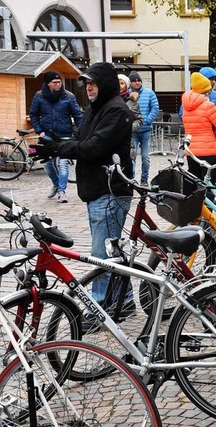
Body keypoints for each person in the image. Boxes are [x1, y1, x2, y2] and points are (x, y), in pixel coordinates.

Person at [30, 62, 135, 330]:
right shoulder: (95, 109)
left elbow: (93, 147)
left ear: (105, 84)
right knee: (113, 251)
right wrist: (56, 146)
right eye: (86, 84)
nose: (88, 88)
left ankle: (99, 309)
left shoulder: (116, 111)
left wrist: (59, 148)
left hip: (110, 190)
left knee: (101, 254)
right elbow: (80, 137)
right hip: (97, 190)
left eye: (93, 83)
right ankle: (126, 299)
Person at [29, 70, 83, 203]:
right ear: (48, 84)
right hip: (46, 134)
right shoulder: (39, 96)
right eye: (55, 82)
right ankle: (56, 183)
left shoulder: (69, 96)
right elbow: (33, 114)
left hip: (64, 135)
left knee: (63, 164)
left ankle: (62, 191)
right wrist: (39, 130)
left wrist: (78, 133)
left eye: (60, 82)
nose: (58, 84)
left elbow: (78, 116)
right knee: (47, 164)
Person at [181, 72, 216, 183]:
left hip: (191, 151)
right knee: (210, 183)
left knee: (196, 183)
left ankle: (198, 201)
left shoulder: (186, 106)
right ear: (206, 91)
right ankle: (208, 200)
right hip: (208, 150)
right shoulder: (209, 106)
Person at [128, 71, 159, 186]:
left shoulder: (149, 93)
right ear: (130, 83)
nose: (137, 82)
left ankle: (144, 179)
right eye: (134, 80)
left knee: (145, 157)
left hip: (145, 129)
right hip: (132, 130)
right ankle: (131, 179)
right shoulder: (127, 94)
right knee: (132, 156)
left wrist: (147, 120)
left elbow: (155, 108)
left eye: (139, 80)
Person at [117, 74, 143, 139]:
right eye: (117, 83)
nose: (119, 86)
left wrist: (128, 128)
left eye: (122, 83)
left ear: (126, 86)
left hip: (125, 138)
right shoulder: (109, 99)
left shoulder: (132, 101)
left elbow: (139, 120)